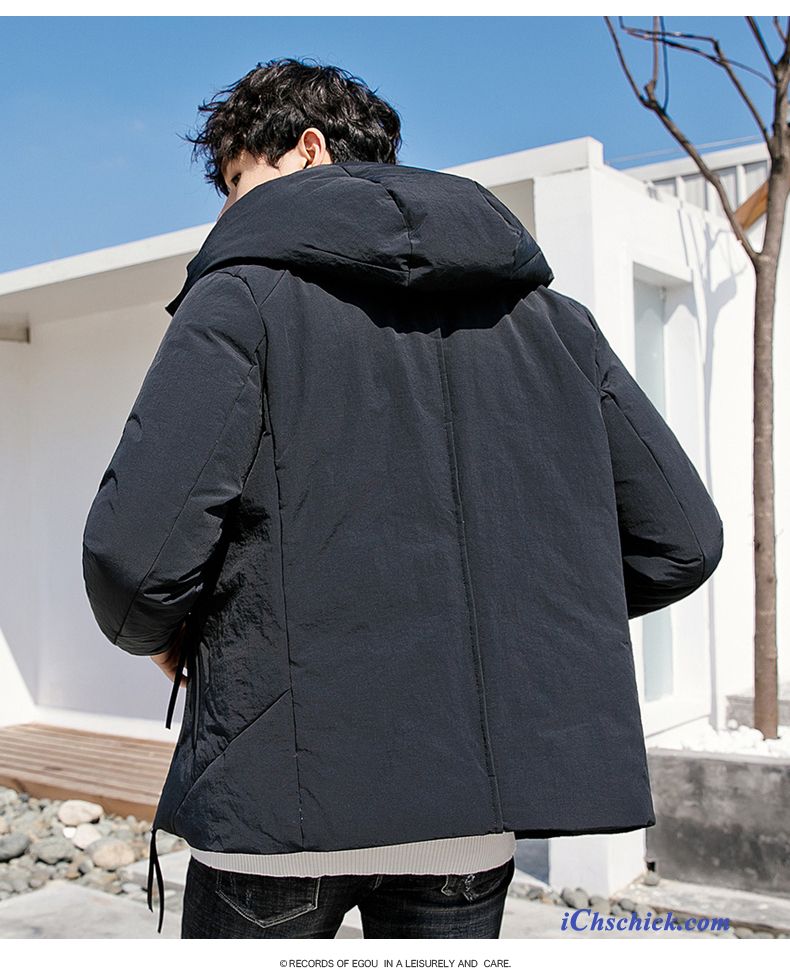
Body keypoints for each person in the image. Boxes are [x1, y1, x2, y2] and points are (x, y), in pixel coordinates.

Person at [81, 57, 724, 939]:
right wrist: (524, 617)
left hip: (277, 820)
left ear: (308, 149)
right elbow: (683, 538)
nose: (225, 213)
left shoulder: (238, 299)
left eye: (234, 181)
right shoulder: (553, 321)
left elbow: (132, 559)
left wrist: (172, 635)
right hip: (466, 828)